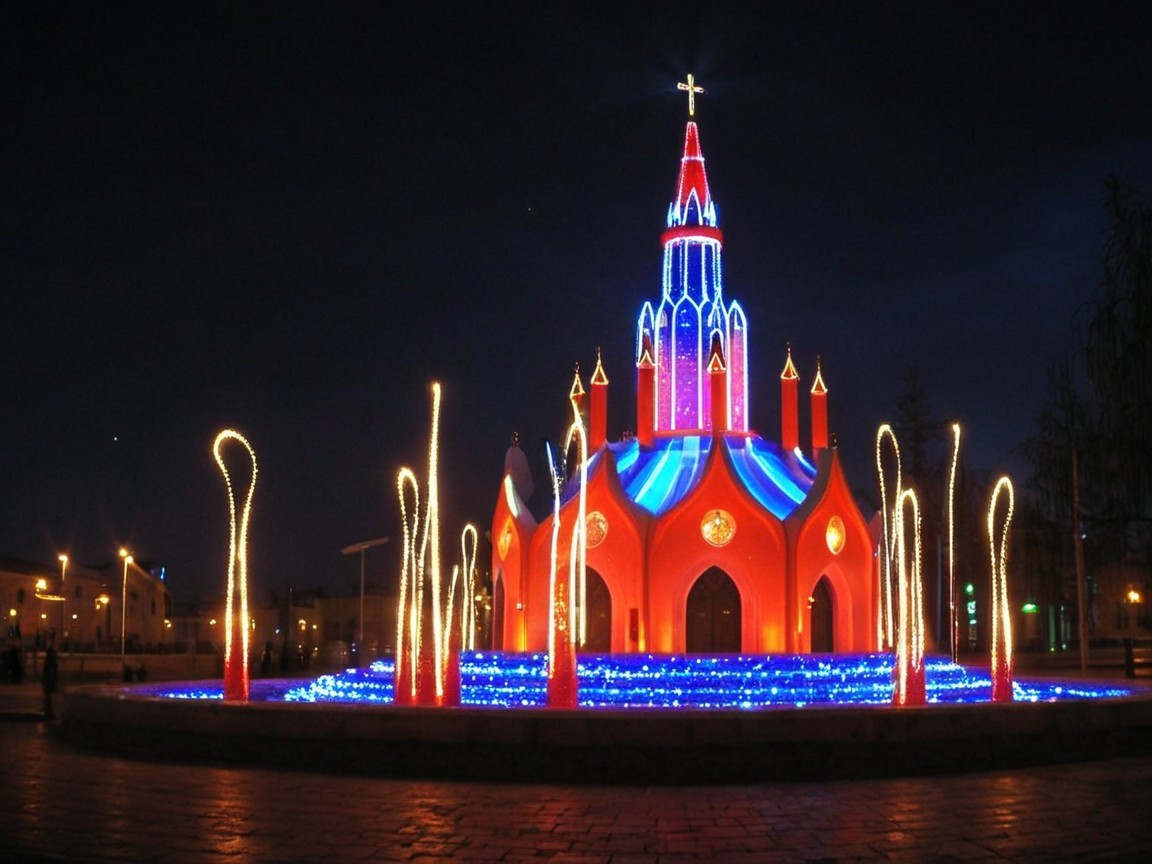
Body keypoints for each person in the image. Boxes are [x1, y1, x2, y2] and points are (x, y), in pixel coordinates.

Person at [42, 641, 59, 720]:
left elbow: (46, 671)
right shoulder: (52, 661)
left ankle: (48, 710)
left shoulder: (48, 661)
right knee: (50, 696)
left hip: (48, 680)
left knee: (48, 696)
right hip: (50, 680)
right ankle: (49, 711)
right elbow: (52, 671)